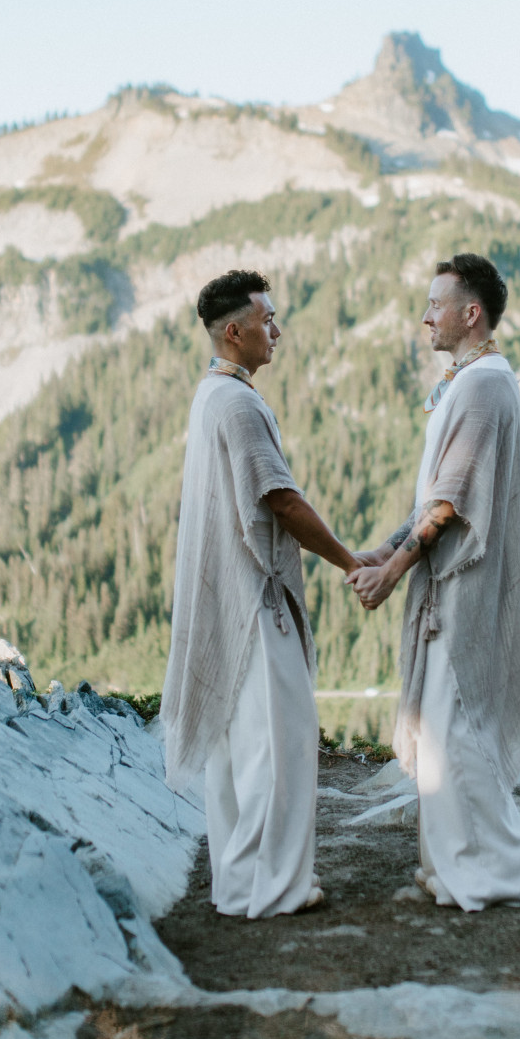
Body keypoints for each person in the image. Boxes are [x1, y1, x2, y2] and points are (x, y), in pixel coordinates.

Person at [161, 269, 359, 918]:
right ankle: (275, 888)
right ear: (234, 331)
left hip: (228, 603)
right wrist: (349, 561)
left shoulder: (211, 394)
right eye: (267, 319)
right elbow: (280, 499)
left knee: (235, 753)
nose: (277, 330)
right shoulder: (239, 405)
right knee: (278, 747)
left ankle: (239, 884)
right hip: (254, 601)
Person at [347, 254, 520, 911]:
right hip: (449, 586)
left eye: (436, 304)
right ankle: (451, 868)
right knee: (441, 728)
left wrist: (392, 572)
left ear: (471, 313)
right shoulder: (473, 381)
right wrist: (381, 551)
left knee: (457, 730)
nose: (425, 316)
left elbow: (451, 501)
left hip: (465, 587)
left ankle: (498, 872)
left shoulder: (484, 386)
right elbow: (435, 497)